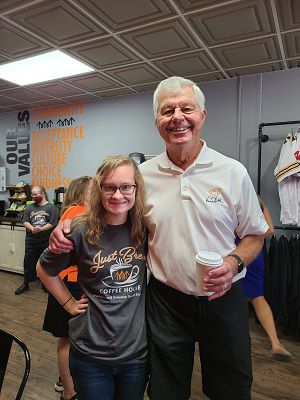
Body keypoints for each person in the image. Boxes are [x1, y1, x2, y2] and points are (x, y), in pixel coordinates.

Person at [48, 77, 269, 400]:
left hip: (223, 296)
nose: (177, 116)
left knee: (231, 389)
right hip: (166, 301)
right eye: (168, 111)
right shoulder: (144, 177)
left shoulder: (232, 171)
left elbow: (255, 235)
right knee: (166, 391)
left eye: (186, 108)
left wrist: (234, 260)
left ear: (202, 116)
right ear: (157, 123)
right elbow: (111, 211)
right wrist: (67, 225)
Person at [37, 156, 148, 400]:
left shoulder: (146, 228)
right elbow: (44, 269)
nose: (118, 195)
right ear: (98, 190)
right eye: (109, 187)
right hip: (90, 355)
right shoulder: (78, 229)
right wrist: (68, 303)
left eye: (126, 187)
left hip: (135, 356)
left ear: (136, 189)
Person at [42, 176, 92, 400]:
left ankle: (64, 381)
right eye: (95, 189)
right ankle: (69, 393)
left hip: (69, 281)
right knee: (67, 339)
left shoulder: (74, 211)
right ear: (83, 192)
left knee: (68, 338)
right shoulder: (78, 212)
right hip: (70, 283)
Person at [240, 196, 292, 361]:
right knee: (257, 297)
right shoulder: (260, 203)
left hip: (235, 252)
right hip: (255, 254)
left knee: (232, 294)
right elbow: (270, 230)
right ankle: (276, 343)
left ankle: (236, 340)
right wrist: (254, 234)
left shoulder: (234, 202)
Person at [15, 185, 59, 295]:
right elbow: (25, 221)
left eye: (36, 194)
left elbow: (53, 222)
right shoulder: (29, 207)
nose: (33, 196)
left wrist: (40, 229)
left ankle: (46, 284)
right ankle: (26, 283)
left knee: (45, 263)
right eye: (32, 194)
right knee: (28, 262)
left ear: (43, 194)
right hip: (31, 240)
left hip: (46, 241)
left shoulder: (51, 207)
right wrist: (32, 228)